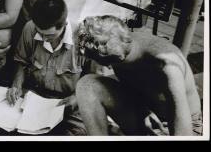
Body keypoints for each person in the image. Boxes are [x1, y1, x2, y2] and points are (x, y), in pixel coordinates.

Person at [74, 15, 202, 136]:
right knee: (87, 85)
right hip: (149, 114)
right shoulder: (115, 38)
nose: (107, 68)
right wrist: (145, 111)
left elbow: (184, 133)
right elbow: (134, 83)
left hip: (185, 126)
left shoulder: (166, 65)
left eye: (107, 63)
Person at [5, 0, 92, 135]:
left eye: (50, 35)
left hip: (68, 104)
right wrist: (16, 84)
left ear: (63, 24)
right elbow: (21, 61)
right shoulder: (30, 28)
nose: (43, 39)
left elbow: (93, 78)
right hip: (34, 97)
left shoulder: (84, 38)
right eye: (40, 33)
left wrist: (76, 97)